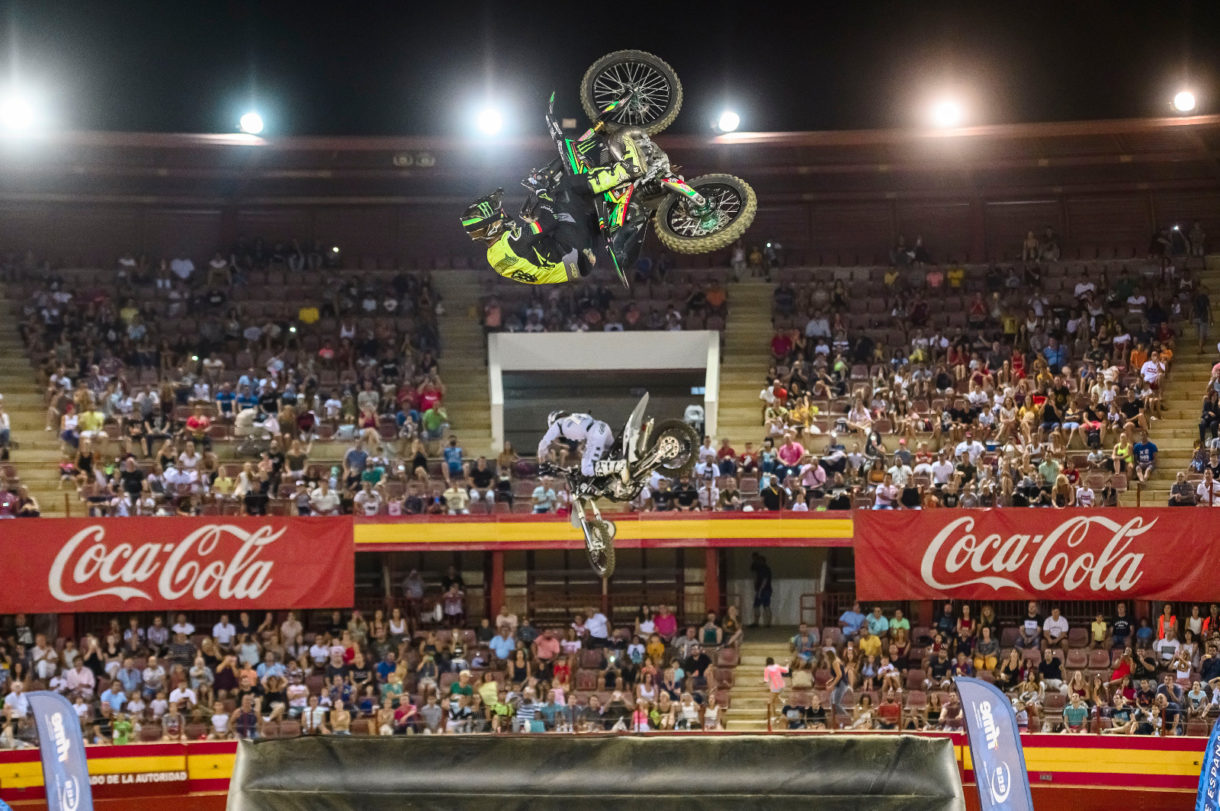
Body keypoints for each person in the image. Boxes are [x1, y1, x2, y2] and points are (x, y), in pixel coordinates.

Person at [537, 410, 615, 479]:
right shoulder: (574, 416)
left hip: (595, 434)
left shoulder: (557, 424)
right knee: (614, 452)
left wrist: (542, 463)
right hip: (603, 426)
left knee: (587, 470)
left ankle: (617, 467)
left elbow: (543, 444)